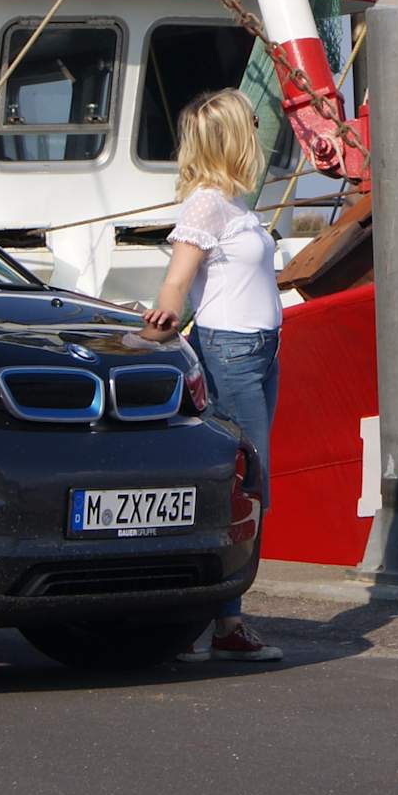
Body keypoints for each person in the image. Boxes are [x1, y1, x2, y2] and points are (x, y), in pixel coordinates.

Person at [145, 88, 284, 663]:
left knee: (247, 486)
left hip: (259, 353)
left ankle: (223, 620)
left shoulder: (234, 205)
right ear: (231, 136)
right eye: (251, 121)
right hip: (231, 355)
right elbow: (178, 280)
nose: (258, 128)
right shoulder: (205, 205)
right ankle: (211, 621)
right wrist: (161, 320)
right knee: (244, 488)